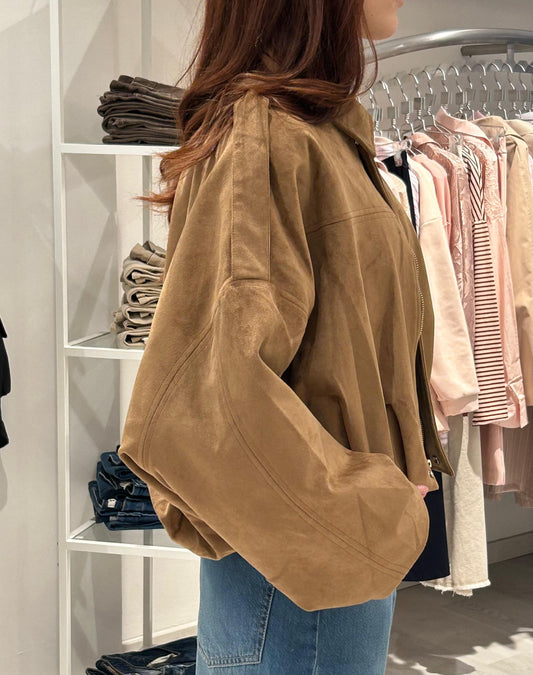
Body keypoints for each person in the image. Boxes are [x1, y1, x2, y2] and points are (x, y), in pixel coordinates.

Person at [118, 0, 452, 673]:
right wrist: (366, 500)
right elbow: (208, 404)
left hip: (321, 549)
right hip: (301, 558)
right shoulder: (269, 139)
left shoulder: (318, 133)